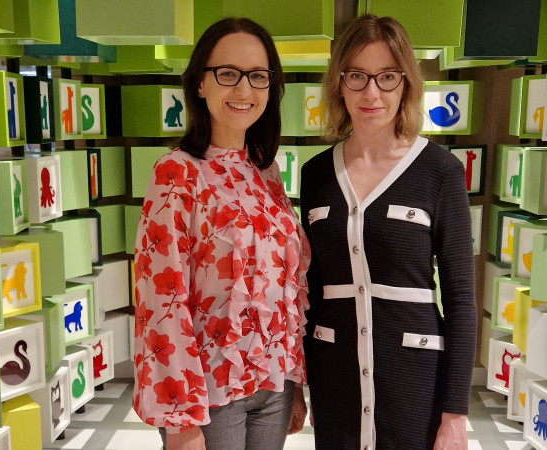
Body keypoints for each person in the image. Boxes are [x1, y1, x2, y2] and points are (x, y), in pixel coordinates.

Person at [299, 14, 476, 450]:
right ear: (339, 83)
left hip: (414, 382)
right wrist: (301, 384)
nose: (371, 92)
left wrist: (455, 414)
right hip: (335, 380)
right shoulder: (315, 174)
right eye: (357, 75)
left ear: (406, 84)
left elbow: (460, 300)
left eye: (387, 76)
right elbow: (310, 289)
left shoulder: (440, 172)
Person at [132, 17, 310, 450]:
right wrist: (180, 419)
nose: (244, 89)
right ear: (199, 83)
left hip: (273, 385)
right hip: (208, 394)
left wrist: (295, 380)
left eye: (258, 76)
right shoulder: (176, 172)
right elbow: (160, 300)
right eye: (228, 73)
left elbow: (284, 289)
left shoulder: (265, 170)